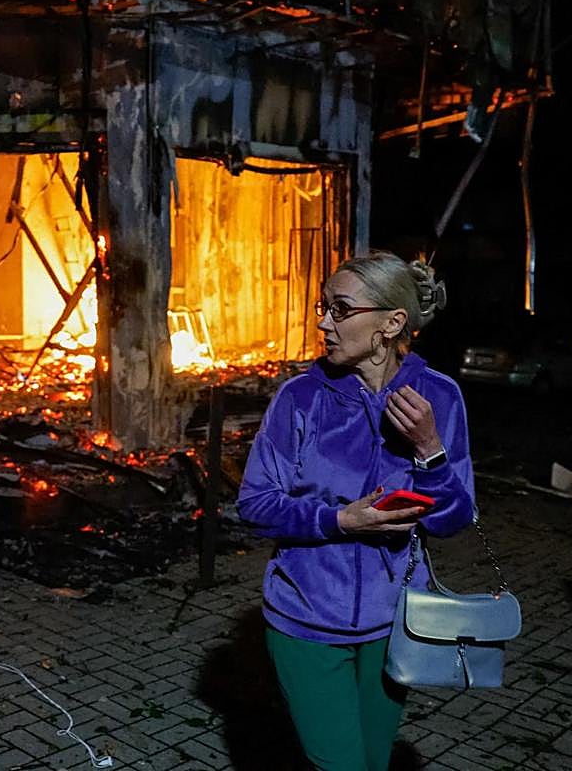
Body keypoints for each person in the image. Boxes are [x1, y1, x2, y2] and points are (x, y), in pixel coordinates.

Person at [237, 250, 476, 771]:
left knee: (372, 760)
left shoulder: (439, 397)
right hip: (305, 619)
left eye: (340, 309)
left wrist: (430, 450)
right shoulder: (300, 398)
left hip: (393, 625)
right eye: (323, 306)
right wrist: (341, 519)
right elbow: (254, 505)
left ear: (391, 323)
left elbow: (455, 519)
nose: (323, 320)